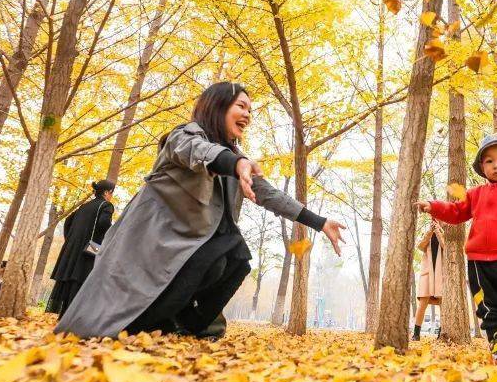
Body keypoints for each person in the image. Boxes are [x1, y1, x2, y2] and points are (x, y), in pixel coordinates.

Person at [55, 82, 346, 339]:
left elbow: (269, 194)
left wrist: (319, 222)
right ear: (217, 106)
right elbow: (198, 152)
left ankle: (184, 322)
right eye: (240, 106)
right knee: (229, 247)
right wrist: (235, 163)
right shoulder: (183, 137)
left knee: (236, 261)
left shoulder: (235, 159)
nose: (247, 115)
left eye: (250, 110)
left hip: (187, 245)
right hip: (152, 246)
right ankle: (144, 323)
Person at [417, 133, 497, 364]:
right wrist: (433, 207)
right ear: (481, 166)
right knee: (487, 302)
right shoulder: (476, 194)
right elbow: (457, 212)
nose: (496, 165)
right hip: (479, 260)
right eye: (489, 161)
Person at [46, 180, 116, 316]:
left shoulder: (84, 206)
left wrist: (71, 241)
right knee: (82, 279)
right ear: (107, 192)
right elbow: (103, 224)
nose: (112, 196)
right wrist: (110, 238)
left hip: (72, 250)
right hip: (90, 249)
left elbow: (68, 222)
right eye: (112, 192)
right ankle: (76, 317)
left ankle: (64, 315)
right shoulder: (106, 205)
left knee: (71, 278)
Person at [412, 224, 444, 340]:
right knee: (422, 302)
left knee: (442, 303)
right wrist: (430, 232)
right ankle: (416, 333)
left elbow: (446, 246)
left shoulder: (445, 230)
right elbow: (420, 246)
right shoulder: (427, 231)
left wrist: (439, 231)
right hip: (427, 272)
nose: (435, 220)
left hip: (440, 273)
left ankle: (441, 332)